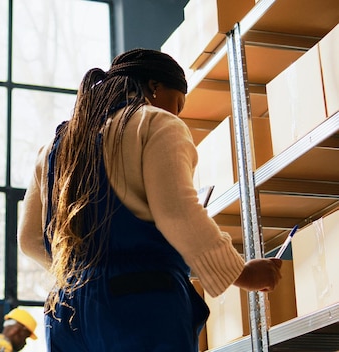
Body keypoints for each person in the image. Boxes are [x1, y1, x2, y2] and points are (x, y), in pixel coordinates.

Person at [17, 48, 283, 351]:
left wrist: (83, 273)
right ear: (155, 87)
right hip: (139, 302)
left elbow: (29, 240)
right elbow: (177, 214)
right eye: (178, 103)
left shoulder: (56, 145)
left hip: (66, 310)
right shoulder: (154, 123)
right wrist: (243, 273)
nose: (177, 114)